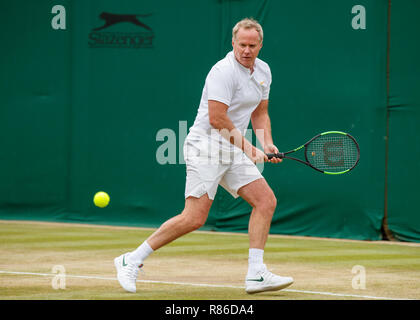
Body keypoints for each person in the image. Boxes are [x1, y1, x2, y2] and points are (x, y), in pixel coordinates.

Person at [114, 18, 294, 294]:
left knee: (265, 201)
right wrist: (249, 148)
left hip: (232, 148)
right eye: (242, 45)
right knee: (194, 218)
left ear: (260, 45)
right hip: (206, 148)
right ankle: (131, 259)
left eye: (252, 45)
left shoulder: (264, 71)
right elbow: (217, 118)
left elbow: (260, 112)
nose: (246, 50)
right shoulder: (222, 72)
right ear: (233, 43)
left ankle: (256, 273)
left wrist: (267, 143)